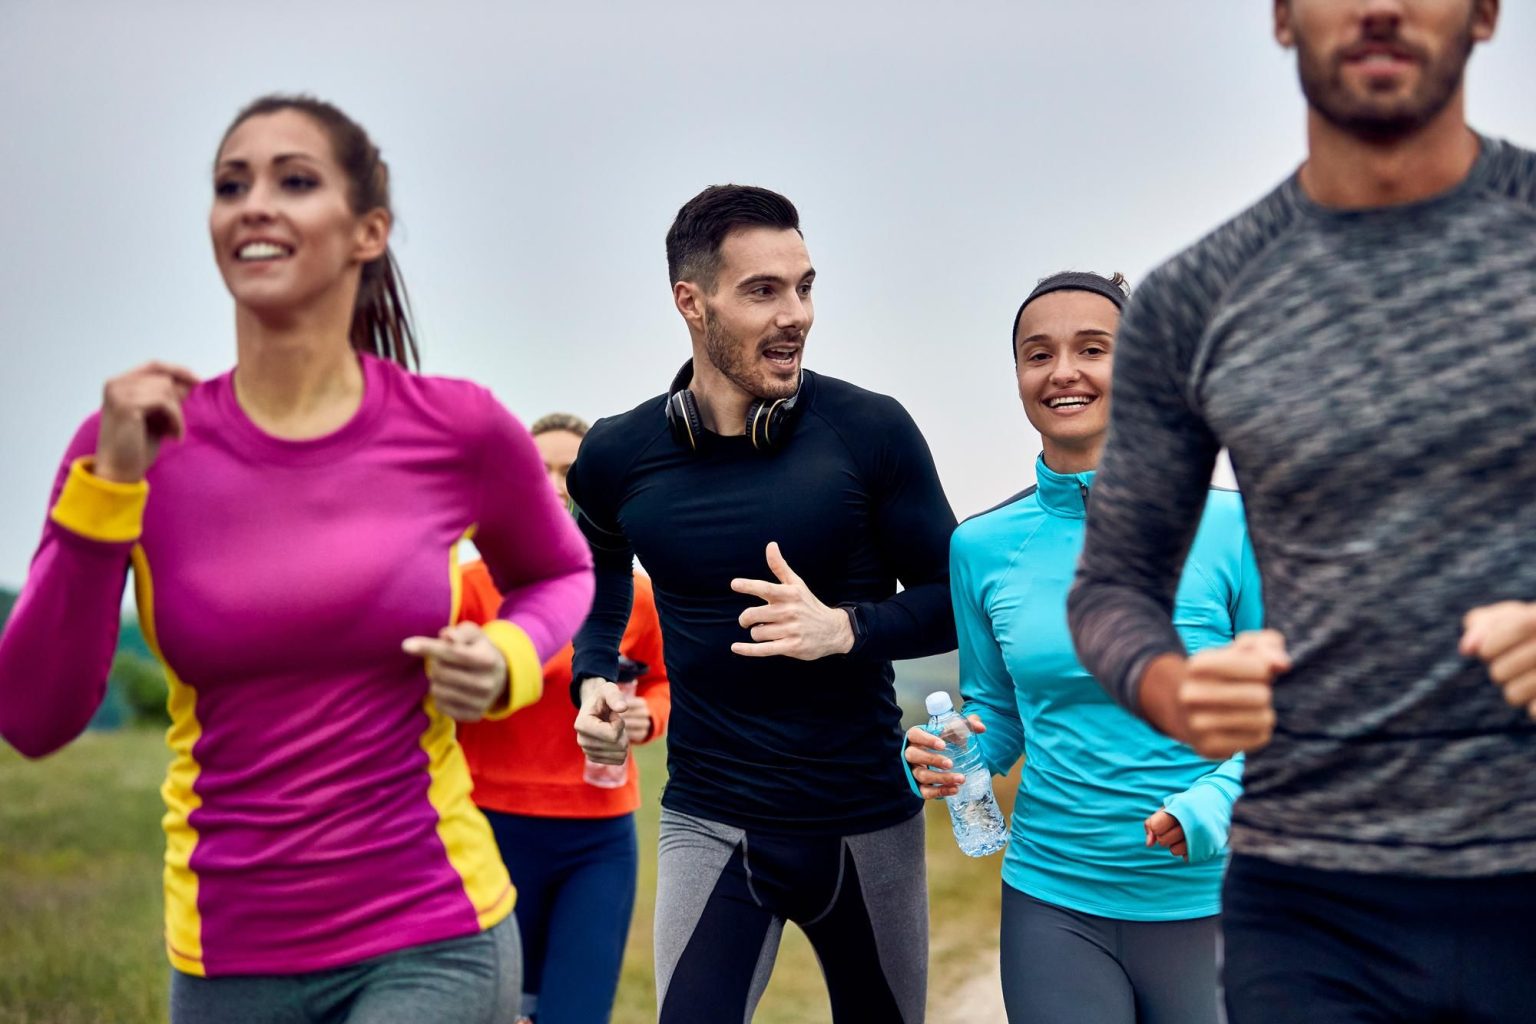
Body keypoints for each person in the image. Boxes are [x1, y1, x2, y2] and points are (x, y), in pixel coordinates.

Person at [0, 95, 594, 1024]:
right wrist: (105, 490)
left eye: (295, 180)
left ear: (367, 231)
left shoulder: (457, 427)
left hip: (432, 932)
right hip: (225, 953)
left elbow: (561, 574)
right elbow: (33, 718)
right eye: (231, 184)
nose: (254, 204)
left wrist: (509, 660)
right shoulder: (130, 444)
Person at [1066, 3, 1536, 1021]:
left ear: (1488, 12)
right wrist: (1170, 683)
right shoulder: (1196, 296)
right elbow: (1113, 584)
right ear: (1281, 15)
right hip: (1311, 908)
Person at [568, 184, 956, 1023]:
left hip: (865, 823)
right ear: (691, 302)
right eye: (763, 291)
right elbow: (596, 579)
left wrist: (845, 627)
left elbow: (952, 603)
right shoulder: (618, 455)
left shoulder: (869, 431)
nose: (797, 315)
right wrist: (595, 676)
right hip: (712, 820)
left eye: (805, 286)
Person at [904, 271, 1260, 1023]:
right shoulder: (980, 547)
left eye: (1092, 349)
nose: (1062, 371)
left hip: (1218, 899)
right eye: (1038, 354)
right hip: (1053, 904)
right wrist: (953, 753)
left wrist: (1211, 805)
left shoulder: (1233, 529)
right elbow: (998, 715)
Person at [456, 411, 670, 1024]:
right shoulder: (470, 588)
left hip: (598, 841)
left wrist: (644, 719)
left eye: (568, 472)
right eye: (538, 469)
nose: (553, 484)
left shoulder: (636, 596)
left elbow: (664, 685)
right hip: (488, 830)